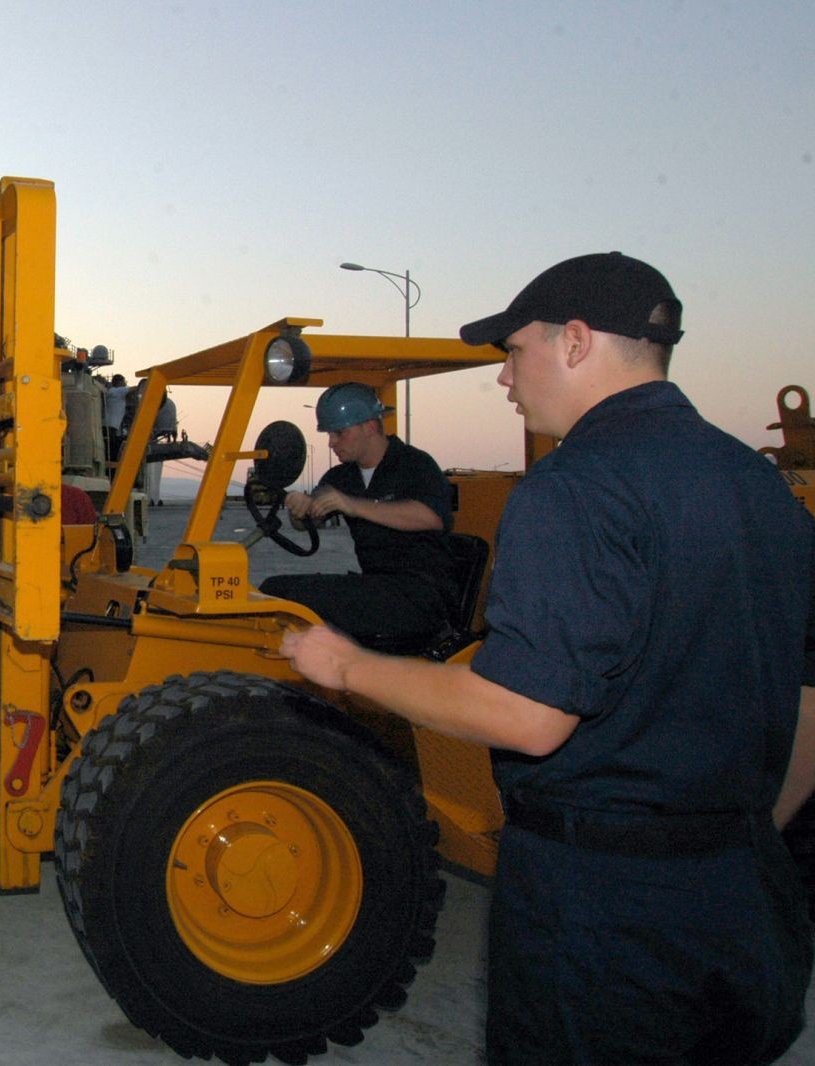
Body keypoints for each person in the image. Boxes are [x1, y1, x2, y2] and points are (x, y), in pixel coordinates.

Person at [282, 252, 815, 1065]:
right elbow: (808, 699)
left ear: (573, 342)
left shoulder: (573, 487)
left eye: (512, 350)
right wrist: (726, 844)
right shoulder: (760, 487)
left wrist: (346, 668)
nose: (503, 378)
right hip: (748, 897)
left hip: (604, 915)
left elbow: (527, 717)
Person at [258, 381, 457, 644]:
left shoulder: (414, 464)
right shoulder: (342, 476)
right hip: (376, 587)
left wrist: (352, 505)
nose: (331, 443)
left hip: (421, 594)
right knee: (275, 590)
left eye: (339, 433)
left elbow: (431, 517)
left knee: (297, 599)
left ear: (370, 426)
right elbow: (305, 522)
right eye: (329, 434)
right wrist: (300, 509)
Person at [103, 373, 129, 462]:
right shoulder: (120, 391)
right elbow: (135, 389)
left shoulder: (110, 391)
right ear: (120, 382)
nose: (125, 383)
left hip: (105, 425)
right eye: (124, 381)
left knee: (107, 448)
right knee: (113, 451)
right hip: (113, 426)